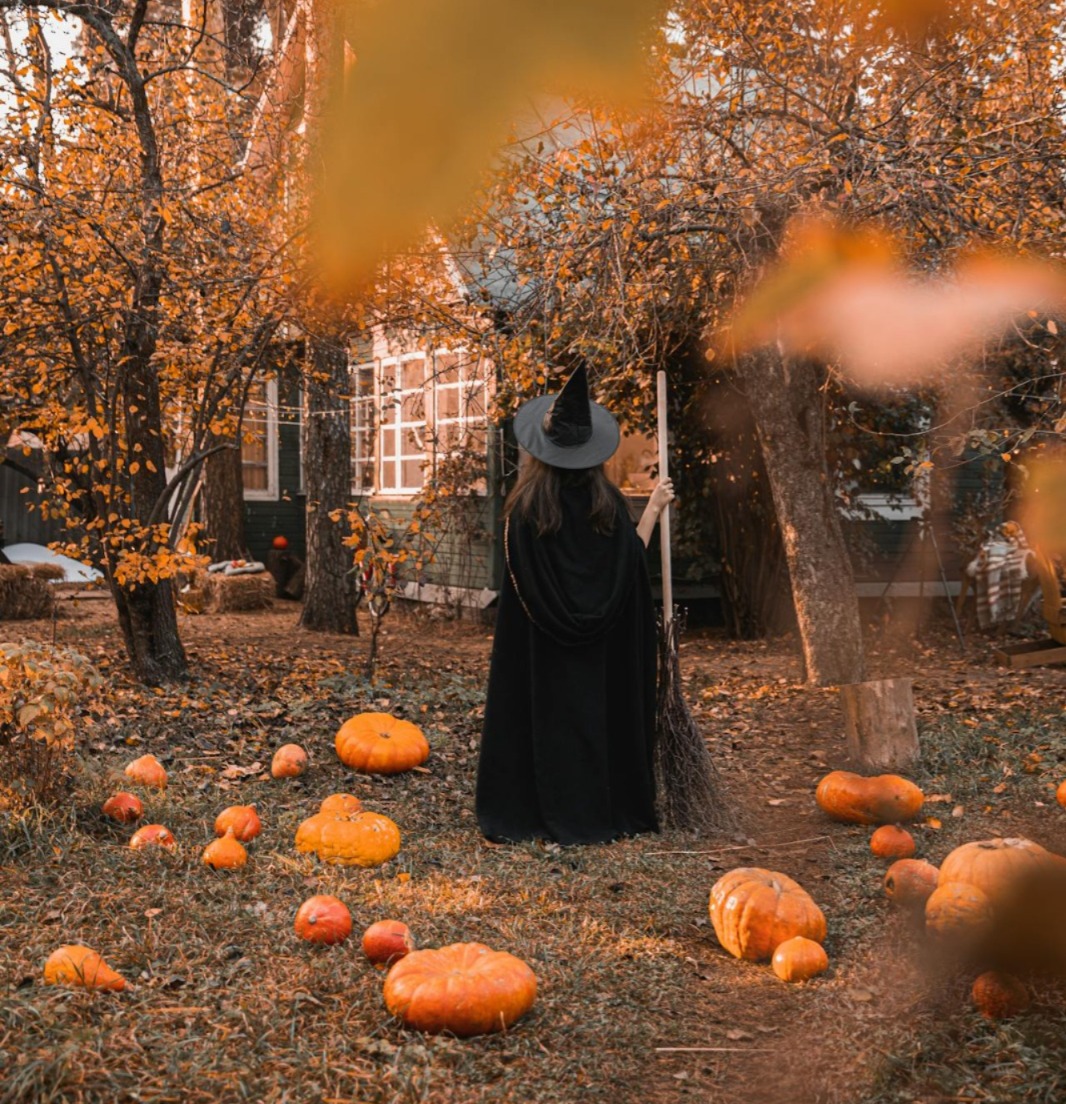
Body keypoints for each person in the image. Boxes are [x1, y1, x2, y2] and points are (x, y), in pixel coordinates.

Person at [475, 366, 674, 845]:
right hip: (602, 654)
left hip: (542, 655)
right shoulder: (606, 506)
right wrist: (651, 509)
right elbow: (627, 567)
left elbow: (523, 587)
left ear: (541, 453)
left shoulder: (524, 514)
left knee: (548, 720)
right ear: (591, 453)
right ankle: (602, 807)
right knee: (595, 718)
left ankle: (535, 807)